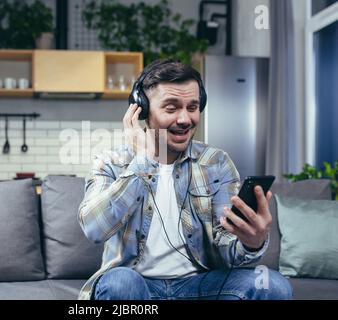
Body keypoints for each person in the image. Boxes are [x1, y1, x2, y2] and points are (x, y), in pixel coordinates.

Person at [77, 59, 293, 300]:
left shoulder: (216, 162)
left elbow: (226, 249)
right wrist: (143, 161)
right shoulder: (110, 162)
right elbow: (94, 229)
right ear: (143, 111)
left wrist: (251, 243)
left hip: (199, 285)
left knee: (273, 285)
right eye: (171, 108)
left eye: (192, 107)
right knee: (120, 283)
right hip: (136, 285)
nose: (184, 119)